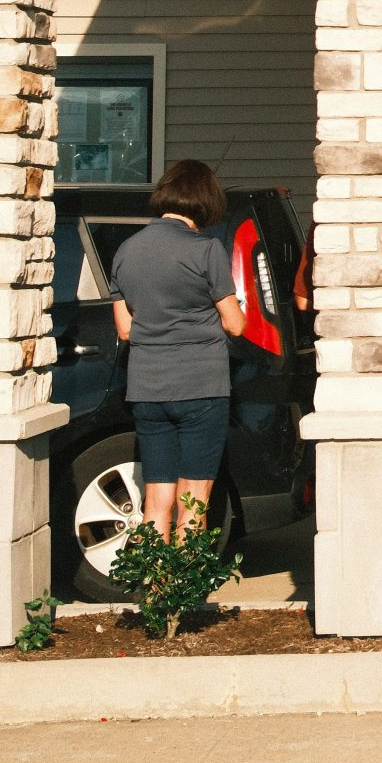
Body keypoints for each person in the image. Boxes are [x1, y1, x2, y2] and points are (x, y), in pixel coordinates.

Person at [111, 159, 246, 539]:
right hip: (200, 386)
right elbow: (235, 324)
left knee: (156, 500)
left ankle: (157, 589)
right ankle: (184, 593)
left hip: (148, 389)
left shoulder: (126, 251)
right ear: (206, 201)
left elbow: (125, 329)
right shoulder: (207, 251)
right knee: (194, 502)